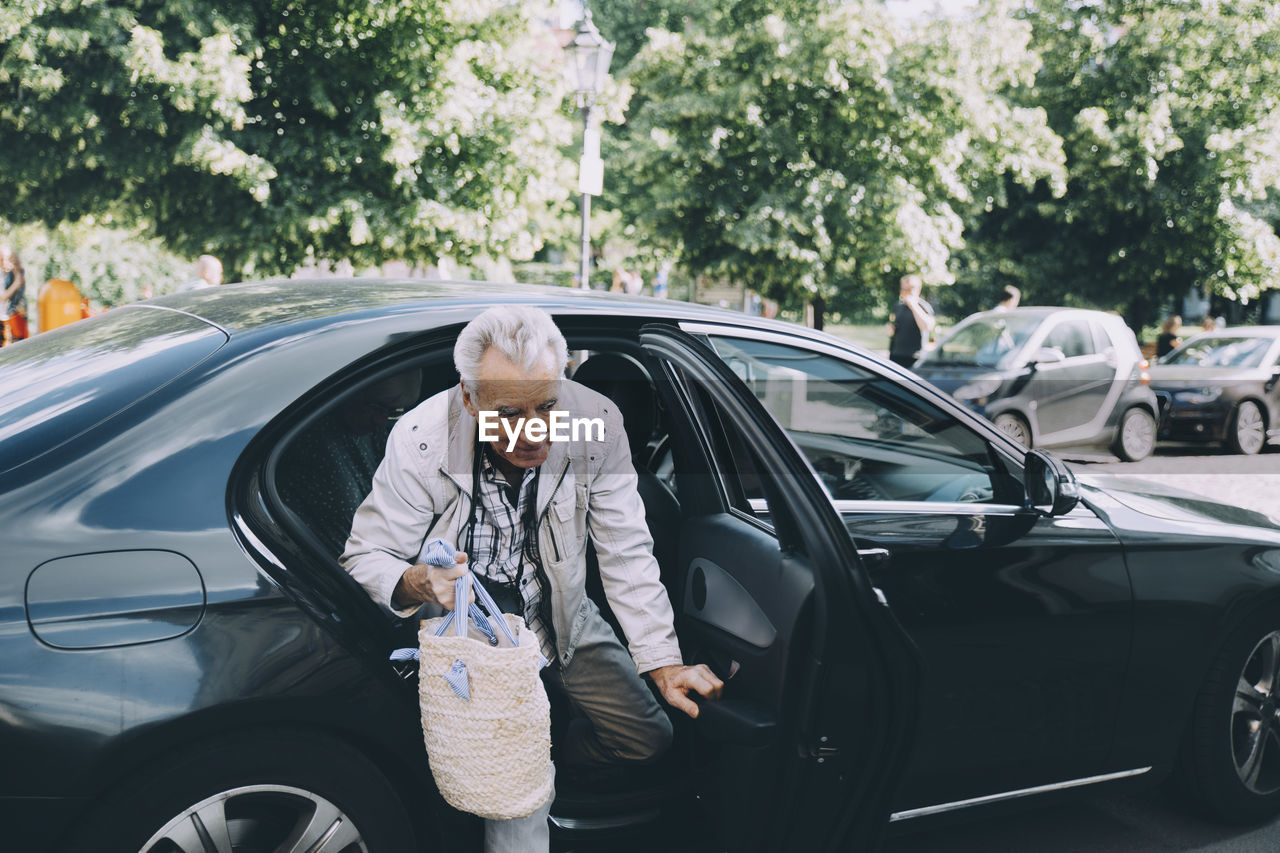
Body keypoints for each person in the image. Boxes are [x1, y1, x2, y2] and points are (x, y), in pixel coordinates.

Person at [341, 306, 723, 853]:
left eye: (547, 403)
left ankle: (552, 756)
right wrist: (420, 582)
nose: (534, 430)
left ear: (564, 376)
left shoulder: (599, 424)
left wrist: (662, 660)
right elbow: (365, 556)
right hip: (474, 640)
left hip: (562, 615)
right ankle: (519, 777)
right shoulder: (421, 437)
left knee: (648, 738)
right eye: (509, 413)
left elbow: (626, 551)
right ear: (470, 399)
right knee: (514, 808)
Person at [277, 369, 423, 558]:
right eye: (377, 407)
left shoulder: (374, 433)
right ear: (355, 392)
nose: (381, 420)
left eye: (393, 412)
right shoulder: (312, 442)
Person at [887, 274, 935, 368]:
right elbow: (893, 327)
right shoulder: (898, 306)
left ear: (918, 289)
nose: (905, 293)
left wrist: (913, 305)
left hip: (915, 358)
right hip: (896, 355)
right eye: (903, 289)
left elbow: (927, 326)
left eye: (909, 290)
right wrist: (890, 330)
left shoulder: (924, 307)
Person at [0, 246, 29, 346]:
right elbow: (2, 298)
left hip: (10, 318)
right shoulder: (4, 276)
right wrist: (16, 283)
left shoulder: (10, 274)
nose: (9, 263)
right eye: (5, 259)